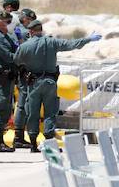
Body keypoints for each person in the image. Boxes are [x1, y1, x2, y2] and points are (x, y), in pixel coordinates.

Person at [14, 20, 101, 153]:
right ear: (41, 30)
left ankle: (33, 144)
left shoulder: (26, 46)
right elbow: (72, 44)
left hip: (33, 83)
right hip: (50, 82)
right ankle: (49, 142)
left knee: (32, 113)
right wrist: (88, 39)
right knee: (50, 113)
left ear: (30, 31)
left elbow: (16, 60)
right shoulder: (52, 42)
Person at [0, 11, 18, 153]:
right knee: (2, 108)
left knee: (7, 107)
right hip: (4, 76)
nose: (7, 22)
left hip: (10, 76)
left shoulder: (6, 36)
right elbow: (9, 57)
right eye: (4, 20)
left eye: (8, 20)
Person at [12, 9, 38, 149]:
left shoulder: (21, 31)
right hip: (24, 71)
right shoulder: (22, 32)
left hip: (25, 71)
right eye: (30, 19)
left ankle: (20, 136)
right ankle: (19, 136)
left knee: (24, 104)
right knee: (22, 105)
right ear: (25, 19)